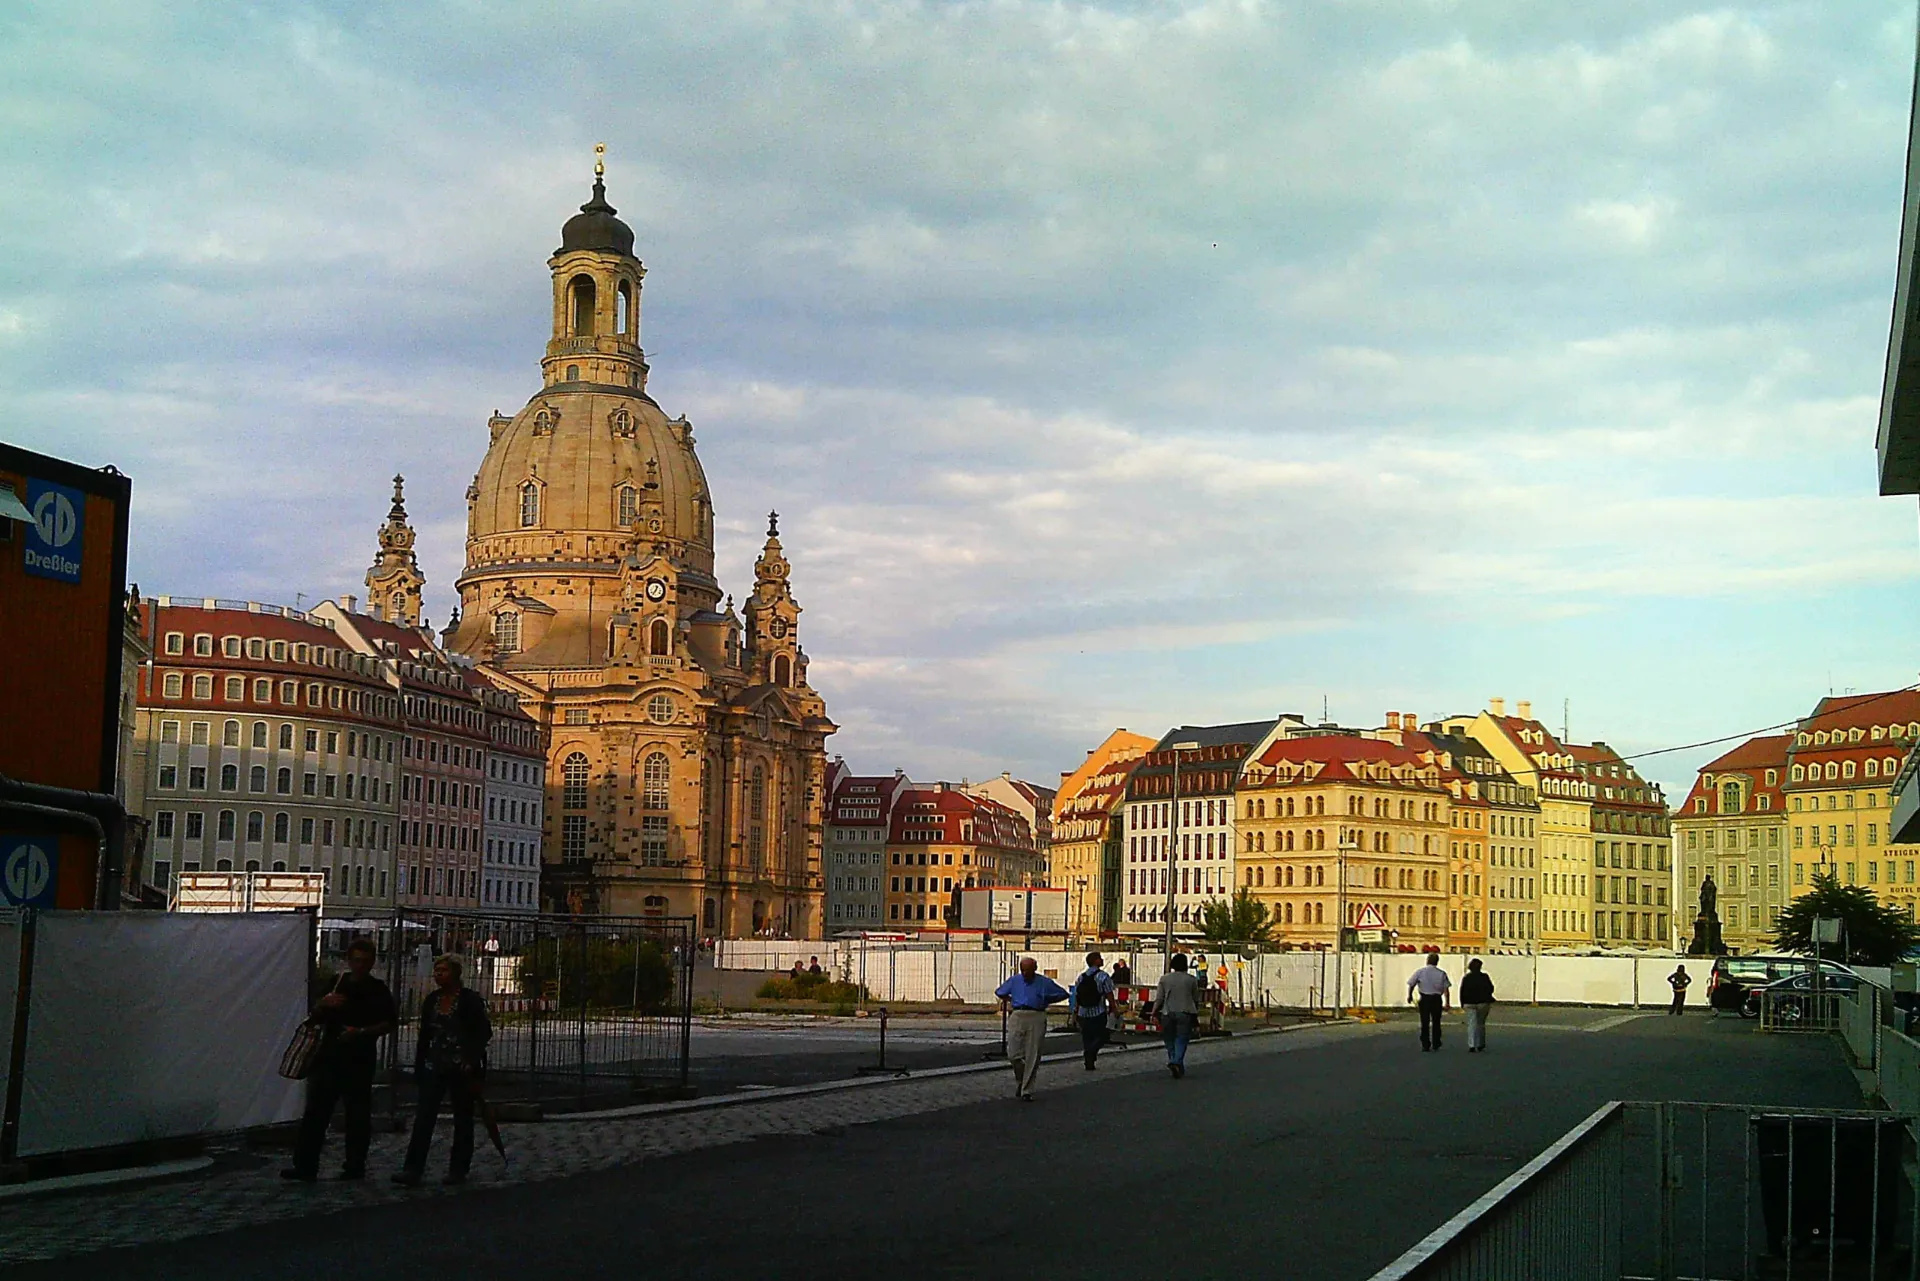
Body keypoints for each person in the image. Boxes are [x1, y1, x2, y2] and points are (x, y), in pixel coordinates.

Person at [283, 937, 397, 1182]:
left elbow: (389, 1022)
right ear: (349, 960)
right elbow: (315, 1015)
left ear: (372, 962)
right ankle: (305, 1165)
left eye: (365, 961)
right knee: (316, 1114)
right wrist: (323, 1003)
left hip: (360, 1059)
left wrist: (361, 1032)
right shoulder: (337, 983)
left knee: (357, 1116)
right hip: (329, 1057)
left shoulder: (377, 989)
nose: (360, 966)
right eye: (356, 960)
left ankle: (354, 1165)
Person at [394, 955, 493, 1187]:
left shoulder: (469, 1000)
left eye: (444, 970)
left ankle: (458, 1168)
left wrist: (471, 1059)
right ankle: (413, 1168)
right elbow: (425, 1035)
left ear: (456, 973)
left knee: (463, 1117)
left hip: (461, 1067)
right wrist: (419, 1064)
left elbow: (483, 1032)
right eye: (436, 970)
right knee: (424, 1117)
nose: (439, 974)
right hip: (434, 1064)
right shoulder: (432, 1000)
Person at [994, 957, 1071, 1101]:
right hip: (1018, 1013)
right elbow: (999, 992)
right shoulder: (1014, 980)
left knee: (1032, 1053)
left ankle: (1026, 1090)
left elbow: (1063, 994)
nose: (1025, 973)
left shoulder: (1044, 982)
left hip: (1036, 1014)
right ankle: (1021, 1079)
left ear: (1034, 969)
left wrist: (1046, 999)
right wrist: (1011, 999)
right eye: (1023, 970)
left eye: (1028, 971)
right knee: (1013, 1054)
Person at [1155, 953, 1203, 1078]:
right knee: (1182, 1038)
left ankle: (1173, 1059)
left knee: (1169, 1039)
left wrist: (1154, 1011)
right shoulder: (1191, 980)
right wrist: (1195, 1013)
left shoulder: (1164, 979)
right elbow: (1195, 998)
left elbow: (1159, 998)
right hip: (1185, 1012)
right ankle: (1176, 1061)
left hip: (1167, 1012)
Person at [1071, 951, 1116, 1070]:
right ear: (1095, 961)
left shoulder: (1081, 977)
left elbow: (1077, 995)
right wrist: (1113, 1008)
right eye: (1100, 958)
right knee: (1103, 1035)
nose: (1102, 960)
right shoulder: (1103, 976)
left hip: (1083, 1012)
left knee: (1087, 1037)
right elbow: (1109, 994)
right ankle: (1091, 1052)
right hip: (1098, 1011)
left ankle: (1088, 1060)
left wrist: (1075, 1011)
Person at [1407, 951, 1451, 1051]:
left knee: (1424, 1022)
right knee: (1436, 1022)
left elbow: (1411, 984)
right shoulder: (1441, 973)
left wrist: (1410, 995)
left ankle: (1425, 1044)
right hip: (1436, 999)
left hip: (1425, 999)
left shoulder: (1420, 972)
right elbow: (1446, 990)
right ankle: (1436, 1042)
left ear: (1427, 961)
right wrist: (1447, 1002)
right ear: (1437, 962)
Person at [1460, 958, 1494, 1053]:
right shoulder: (1484, 977)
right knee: (1481, 1023)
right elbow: (1491, 988)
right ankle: (1480, 1044)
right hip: (1483, 1002)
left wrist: (1462, 1003)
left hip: (1469, 1003)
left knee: (1471, 1023)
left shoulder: (1467, 978)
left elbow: (1462, 991)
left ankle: (1472, 1044)